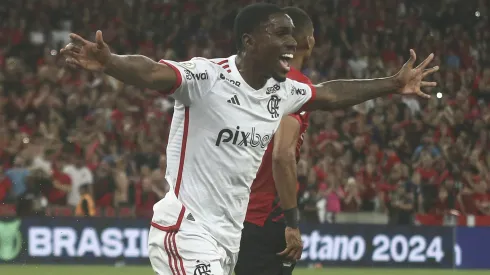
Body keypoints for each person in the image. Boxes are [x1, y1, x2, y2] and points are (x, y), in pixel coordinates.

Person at [60, 3, 438, 274]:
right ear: (250, 41)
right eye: (281, 33)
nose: (293, 42)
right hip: (187, 229)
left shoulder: (282, 91)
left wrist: (392, 83)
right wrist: (111, 63)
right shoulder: (207, 77)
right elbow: (154, 74)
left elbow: (332, 94)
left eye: (293, 33)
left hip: (229, 239)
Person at [234, 7, 314, 275]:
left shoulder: (259, 79)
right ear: (309, 42)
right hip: (265, 217)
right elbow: (282, 155)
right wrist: (292, 222)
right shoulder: (294, 86)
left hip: (238, 211)